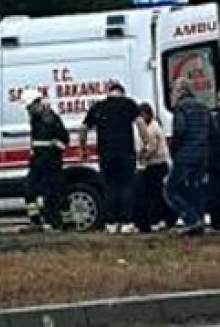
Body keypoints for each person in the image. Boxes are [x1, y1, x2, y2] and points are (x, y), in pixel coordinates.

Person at [79, 81, 141, 234]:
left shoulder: (98, 107)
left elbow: (83, 128)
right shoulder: (129, 105)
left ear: (109, 92)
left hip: (106, 153)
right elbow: (141, 125)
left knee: (109, 187)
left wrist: (83, 148)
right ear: (122, 92)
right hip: (126, 153)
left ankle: (111, 223)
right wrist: (145, 144)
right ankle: (126, 223)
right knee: (126, 186)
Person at [165, 80, 211, 235]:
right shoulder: (204, 108)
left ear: (181, 91)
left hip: (185, 155)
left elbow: (180, 130)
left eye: (175, 90)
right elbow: (213, 132)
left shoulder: (181, 107)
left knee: (170, 190)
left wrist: (174, 150)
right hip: (202, 156)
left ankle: (191, 219)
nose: (173, 93)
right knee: (196, 188)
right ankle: (199, 221)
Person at [20, 89, 68, 231]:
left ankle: (55, 223)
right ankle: (36, 221)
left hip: (50, 162)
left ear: (36, 104)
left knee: (51, 193)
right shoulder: (36, 118)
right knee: (29, 189)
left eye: (29, 107)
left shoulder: (50, 118)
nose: (28, 110)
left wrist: (55, 147)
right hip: (38, 160)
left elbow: (63, 140)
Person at [135, 103, 171, 232]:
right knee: (159, 194)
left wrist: (141, 157)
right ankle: (162, 219)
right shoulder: (154, 126)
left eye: (142, 115)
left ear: (147, 114)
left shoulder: (151, 128)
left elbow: (152, 148)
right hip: (158, 165)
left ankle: (158, 220)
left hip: (156, 165)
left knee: (155, 195)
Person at [210, 93, 220, 231]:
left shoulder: (215, 119)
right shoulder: (214, 118)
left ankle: (216, 222)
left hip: (215, 161)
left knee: (215, 193)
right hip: (215, 161)